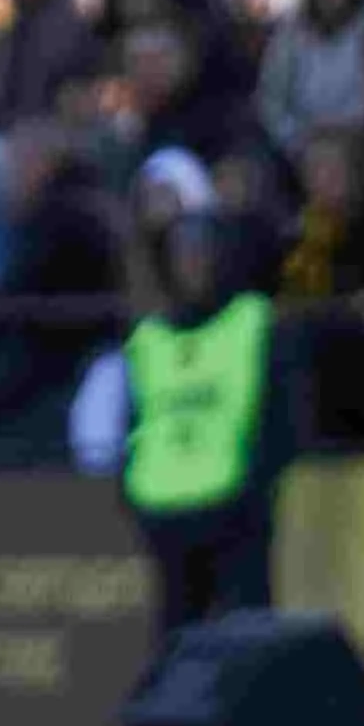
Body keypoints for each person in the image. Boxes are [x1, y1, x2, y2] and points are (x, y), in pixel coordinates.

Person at [112, 214, 289, 642]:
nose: (192, 263)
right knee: (177, 646)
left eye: (201, 251)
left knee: (250, 639)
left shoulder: (254, 322)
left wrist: (256, 489)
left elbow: (283, 415)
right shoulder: (148, 339)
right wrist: (133, 491)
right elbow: (135, 422)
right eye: (182, 253)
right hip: (165, 510)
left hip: (234, 507)